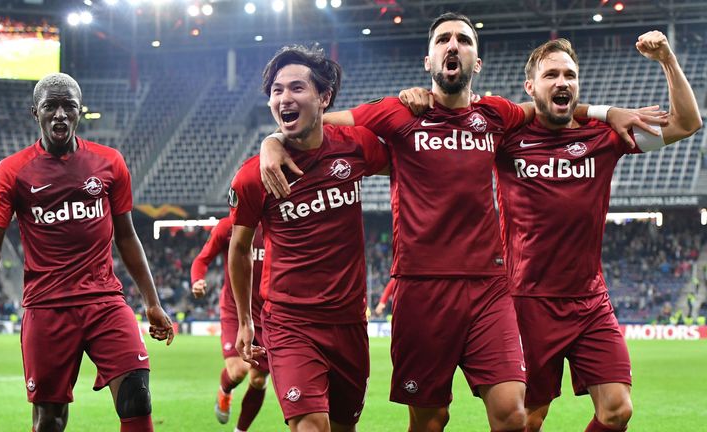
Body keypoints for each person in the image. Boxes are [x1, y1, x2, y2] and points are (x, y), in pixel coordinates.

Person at [258, 13, 663, 432]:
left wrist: (604, 110)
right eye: (443, 40)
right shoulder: (397, 113)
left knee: (513, 414)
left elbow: (544, 106)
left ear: (477, 62)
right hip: (421, 289)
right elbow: (318, 126)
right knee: (431, 421)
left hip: (489, 287)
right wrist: (273, 139)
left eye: (464, 40)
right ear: (429, 61)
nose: (453, 45)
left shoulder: (495, 114)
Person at [494, 33, 700, 432]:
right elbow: (473, 114)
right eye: (550, 74)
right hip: (527, 300)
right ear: (530, 86)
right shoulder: (509, 137)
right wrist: (603, 109)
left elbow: (688, 123)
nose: (562, 82)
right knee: (527, 418)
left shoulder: (606, 137)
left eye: (569, 75)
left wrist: (668, 60)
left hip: (590, 301)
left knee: (618, 409)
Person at [0, 73, 175, 432]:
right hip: (47, 307)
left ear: (79, 111)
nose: (59, 114)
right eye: (50, 107)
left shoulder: (109, 163)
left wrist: (151, 301)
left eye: (68, 106)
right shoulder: (12, 172)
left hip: (105, 300)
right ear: (35, 113)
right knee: (50, 421)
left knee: (137, 395)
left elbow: (128, 236)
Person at [229, 45, 389, 432]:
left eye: (297, 88)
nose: (285, 97)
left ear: (324, 97)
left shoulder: (355, 146)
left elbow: (411, 162)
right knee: (311, 426)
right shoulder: (254, 177)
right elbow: (239, 248)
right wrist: (245, 321)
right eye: (277, 90)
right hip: (290, 323)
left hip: (350, 322)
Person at [190, 217, 269, 431]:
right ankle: (225, 390)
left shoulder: (278, 223)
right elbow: (202, 259)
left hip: (268, 314)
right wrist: (197, 280)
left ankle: (240, 430)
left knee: (259, 381)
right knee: (238, 372)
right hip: (235, 309)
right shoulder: (228, 226)